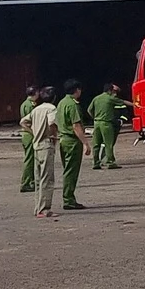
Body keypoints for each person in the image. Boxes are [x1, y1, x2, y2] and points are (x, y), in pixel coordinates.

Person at [26, 87, 62, 220]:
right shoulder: (51, 108)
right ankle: (45, 209)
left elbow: (23, 122)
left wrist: (34, 132)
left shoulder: (36, 109)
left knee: (38, 179)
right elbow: (52, 123)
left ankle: (38, 207)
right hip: (46, 145)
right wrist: (54, 136)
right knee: (47, 178)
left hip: (36, 145)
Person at [55, 80, 89, 211]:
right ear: (76, 90)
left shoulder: (61, 103)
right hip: (72, 141)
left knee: (67, 169)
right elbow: (76, 126)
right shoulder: (72, 105)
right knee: (71, 172)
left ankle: (68, 197)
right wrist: (85, 143)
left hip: (63, 139)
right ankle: (68, 199)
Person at [88, 82, 126, 170]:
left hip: (97, 123)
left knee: (96, 144)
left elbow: (89, 110)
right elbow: (124, 103)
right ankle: (110, 162)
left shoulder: (96, 98)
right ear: (110, 90)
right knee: (108, 143)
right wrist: (136, 105)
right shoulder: (110, 98)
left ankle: (96, 162)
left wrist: (95, 117)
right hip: (107, 124)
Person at [19, 92, 41, 194]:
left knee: (31, 159)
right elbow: (30, 121)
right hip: (29, 134)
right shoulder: (30, 105)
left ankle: (31, 181)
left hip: (26, 134)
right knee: (30, 160)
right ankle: (26, 183)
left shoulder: (24, 103)